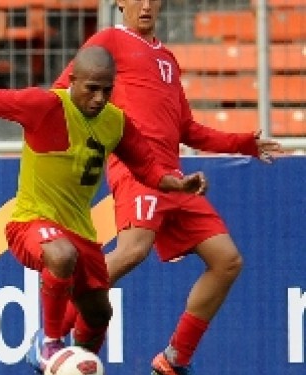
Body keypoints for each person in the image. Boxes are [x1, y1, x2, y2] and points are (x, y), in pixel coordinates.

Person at [0, 46, 208, 374]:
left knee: (98, 313)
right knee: (61, 256)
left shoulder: (115, 122)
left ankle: (71, 365)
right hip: (30, 222)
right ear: (72, 81)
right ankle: (48, 341)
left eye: (106, 90)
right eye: (91, 89)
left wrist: (178, 183)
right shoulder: (44, 105)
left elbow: (147, 167)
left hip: (81, 233)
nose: (98, 98)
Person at [51, 1, 283, 374]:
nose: (145, 5)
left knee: (226, 261)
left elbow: (187, 129)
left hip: (175, 180)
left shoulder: (167, 60)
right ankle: (52, 340)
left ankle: (174, 359)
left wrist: (243, 143)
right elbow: (62, 93)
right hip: (137, 171)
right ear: (120, 3)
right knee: (131, 252)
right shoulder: (108, 40)